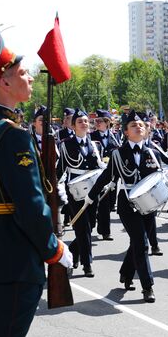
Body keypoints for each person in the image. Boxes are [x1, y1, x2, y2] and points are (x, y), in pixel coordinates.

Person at [0, 29, 73, 337]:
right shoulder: (11, 135)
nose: (30, 79)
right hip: (12, 259)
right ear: (4, 82)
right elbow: (29, 204)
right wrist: (54, 250)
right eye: (23, 73)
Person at [86, 111, 162, 302]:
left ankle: (126, 273)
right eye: (133, 125)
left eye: (141, 125)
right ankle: (148, 286)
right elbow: (106, 177)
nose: (139, 127)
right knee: (142, 243)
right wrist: (90, 196)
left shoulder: (153, 151)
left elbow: (159, 179)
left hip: (149, 204)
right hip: (127, 203)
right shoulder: (118, 154)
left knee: (136, 243)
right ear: (126, 132)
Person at [57, 109, 106, 277]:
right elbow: (61, 168)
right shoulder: (66, 144)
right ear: (73, 126)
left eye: (86, 121)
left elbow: (99, 166)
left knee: (90, 225)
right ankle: (87, 264)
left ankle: (71, 251)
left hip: (92, 189)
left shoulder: (95, 144)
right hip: (75, 190)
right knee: (82, 226)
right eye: (80, 121)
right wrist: (54, 188)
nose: (84, 124)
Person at [91, 109, 121, 240]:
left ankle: (102, 220)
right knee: (102, 201)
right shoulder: (91, 137)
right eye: (96, 121)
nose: (97, 123)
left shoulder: (115, 136)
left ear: (107, 123)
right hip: (98, 173)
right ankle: (105, 231)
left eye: (100, 121)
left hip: (112, 172)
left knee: (110, 203)